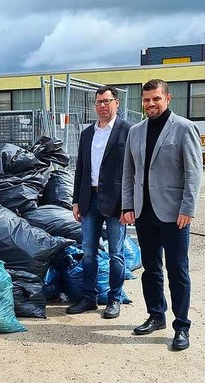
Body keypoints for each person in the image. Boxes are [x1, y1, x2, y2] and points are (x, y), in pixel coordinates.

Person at [122, 79, 202, 351]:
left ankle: (182, 326)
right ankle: (156, 315)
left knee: (178, 270)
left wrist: (187, 209)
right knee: (151, 268)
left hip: (174, 213)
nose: (151, 104)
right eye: (146, 100)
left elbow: (193, 172)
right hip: (144, 212)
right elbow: (128, 173)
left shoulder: (184, 128)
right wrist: (127, 205)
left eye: (156, 98)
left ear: (168, 98)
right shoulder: (136, 131)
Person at [67, 86, 132, 319]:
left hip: (116, 202)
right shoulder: (87, 134)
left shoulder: (128, 131)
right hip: (89, 199)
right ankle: (89, 297)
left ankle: (114, 298)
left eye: (106, 101)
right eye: (98, 102)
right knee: (88, 253)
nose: (102, 106)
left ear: (116, 103)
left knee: (116, 253)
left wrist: (129, 205)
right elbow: (80, 169)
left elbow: (132, 170)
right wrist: (76, 201)